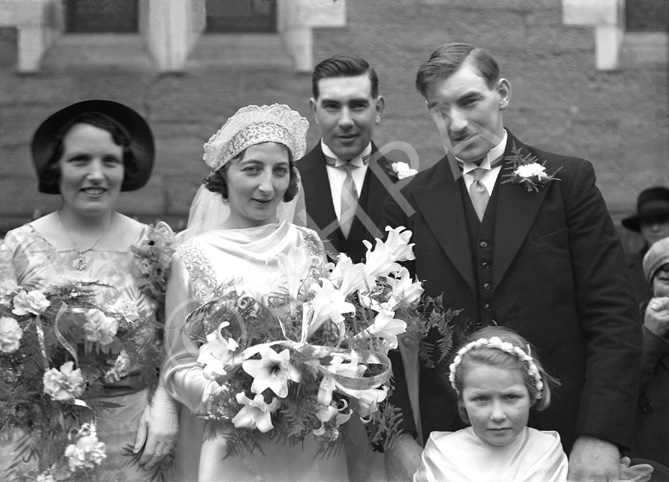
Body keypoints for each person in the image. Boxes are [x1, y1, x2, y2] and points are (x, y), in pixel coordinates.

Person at [382, 43, 641, 481]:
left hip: (565, 440)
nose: (456, 123)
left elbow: (613, 315)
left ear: (501, 93)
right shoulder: (407, 203)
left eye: (469, 101)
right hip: (446, 450)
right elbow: (382, 337)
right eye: (439, 109)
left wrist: (600, 435)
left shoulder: (568, 184)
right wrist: (397, 439)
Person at [161, 104, 350, 481]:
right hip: (233, 440)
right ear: (224, 176)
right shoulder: (194, 255)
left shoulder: (309, 245)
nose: (268, 186)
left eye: (280, 171)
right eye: (252, 169)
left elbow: (333, 334)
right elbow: (177, 362)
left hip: (308, 440)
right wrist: (232, 395)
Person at [2, 100, 179, 479]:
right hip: (38, 434)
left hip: (133, 436)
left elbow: (178, 342)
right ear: (57, 167)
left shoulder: (154, 246)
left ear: (125, 169)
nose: (96, 175)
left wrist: (164, 404)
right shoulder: (17, 247)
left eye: (109, 162)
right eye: (80, 160)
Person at [414, 326, 567, 482]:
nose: (498, 415)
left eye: (510, 397)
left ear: (532, 395)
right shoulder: (443, 454)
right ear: (462, 401)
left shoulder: (545, 451)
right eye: (481, 399)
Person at [297, 54, 402, 263]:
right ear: (314, 111)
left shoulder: (406, 186)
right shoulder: (289, 184)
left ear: (378, 109)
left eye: (357, 106)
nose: (345, 121)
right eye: (332, 107)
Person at [630, 236, 669, 467]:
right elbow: (618, 390)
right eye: (667, 279)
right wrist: (651, 336)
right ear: (651, 283)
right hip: (650, 460)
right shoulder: (628, 324)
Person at [622, 187, 669, 305]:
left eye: (662, 220)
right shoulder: (623, 271)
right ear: (640, 226)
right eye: (648, 221)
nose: (655, 228)